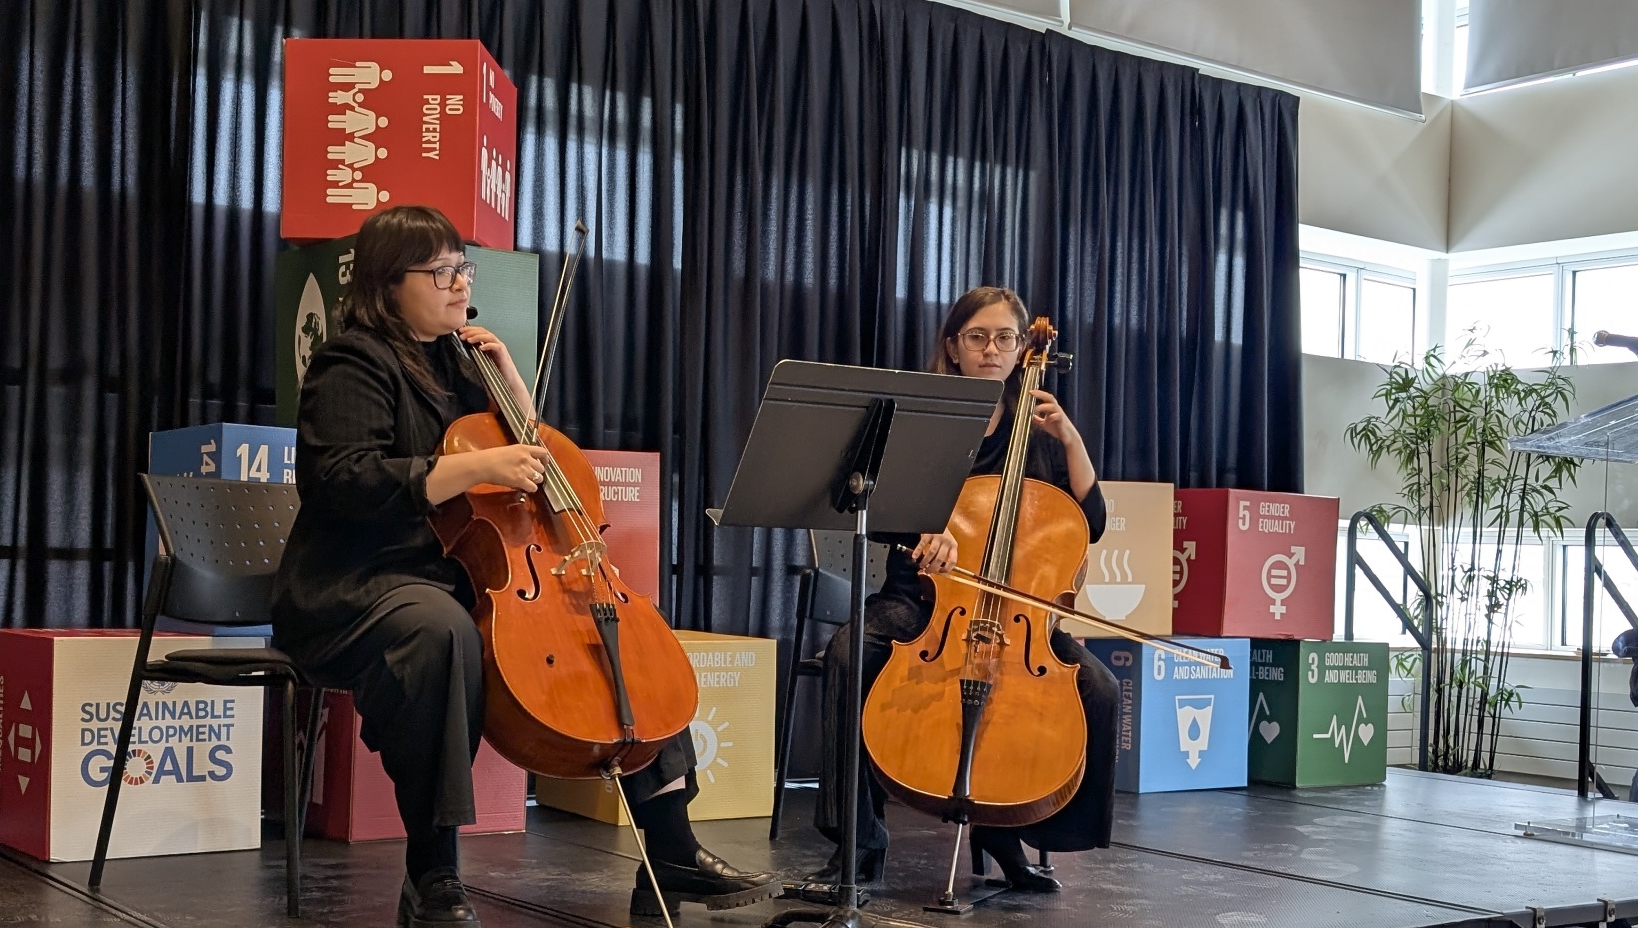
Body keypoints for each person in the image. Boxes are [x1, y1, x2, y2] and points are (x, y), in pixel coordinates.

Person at [270, 205, 780, 927]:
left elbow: (531, 472)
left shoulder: (460, 358)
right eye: (440, 271)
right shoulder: (353, 361)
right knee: (439, 634)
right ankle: (433, 873)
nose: (458, 284)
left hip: (453, 575)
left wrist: (513, 387)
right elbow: (340, 481)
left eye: (462, 269)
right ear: (389, 285)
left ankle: (669, 846)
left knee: (619, 637)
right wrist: (478, 464)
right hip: (359, 583)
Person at [808, 285, 1116, 893]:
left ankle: (1011, 829)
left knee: (1099, 691)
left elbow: (1092, 524)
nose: (992, 349)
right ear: (953, 346)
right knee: (849, 654)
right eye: (977, 336)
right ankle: (859, 844)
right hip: (922, 606)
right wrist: (926, 525)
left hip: (1015, 619)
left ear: (1024, 346)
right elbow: (874, 503)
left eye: (1006, 337)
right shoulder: (925, 418)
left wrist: (1072, 441)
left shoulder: (1033, 430)